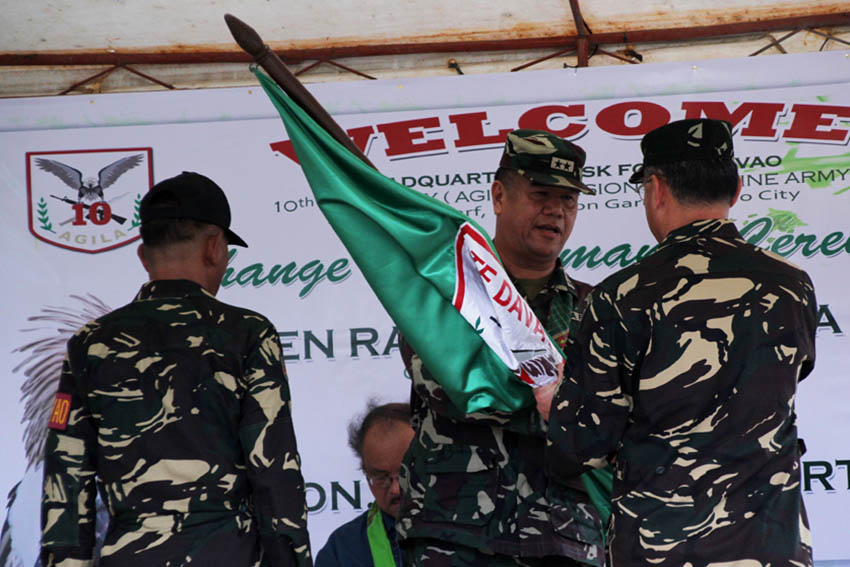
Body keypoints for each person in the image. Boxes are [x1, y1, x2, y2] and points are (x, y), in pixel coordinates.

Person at [540, 118, 817, 566]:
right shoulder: (792, 286)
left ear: (657, 188)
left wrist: (557, 406)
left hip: (661, 547)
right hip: (771, 544)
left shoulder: (622, 296)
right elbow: (791, 374)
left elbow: (581, 446)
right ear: (737, 187)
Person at [40, 171, 312, 567]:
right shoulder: (247, 333)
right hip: (230, 554)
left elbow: (66, 475)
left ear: (143, 255)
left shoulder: (90, 343)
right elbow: (274, 470)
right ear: (216, 247)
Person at [397, 130, 608, 566]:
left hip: (565, 536)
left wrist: (571, 407)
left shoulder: (596, 309)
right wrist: (563, 403)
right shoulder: (450, 292)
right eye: (540, 194)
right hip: (456, 533)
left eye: (568, 200)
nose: (556, 211)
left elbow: (610, 417)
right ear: (498, 195)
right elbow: (458, 389)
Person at [316, 402, 415, 567]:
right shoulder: (341, 549)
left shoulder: (466, 531)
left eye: (404, 474)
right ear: (365, 471)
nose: (395, 490)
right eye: (381, 478)